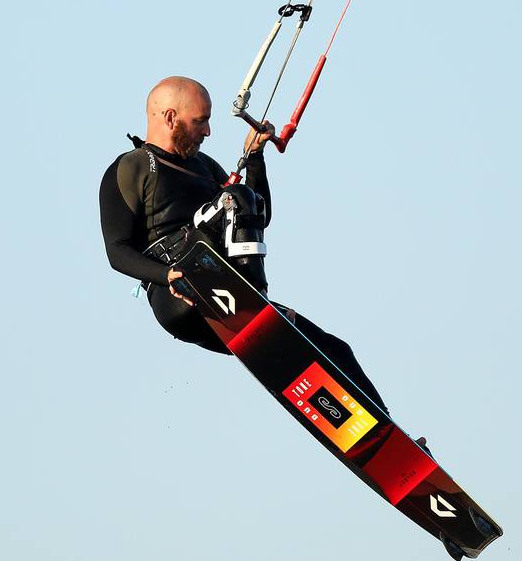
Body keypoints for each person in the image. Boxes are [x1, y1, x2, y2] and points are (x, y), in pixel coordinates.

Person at [98, 75, 389, 410]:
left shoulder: (204, 166)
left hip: (225, 288)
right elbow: (117, 251)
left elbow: (256, 216)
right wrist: (169, 276)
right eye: (201, 121)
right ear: (170, 118)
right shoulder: (133, 167)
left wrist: (254, 158)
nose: (208, 131)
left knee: (332, 350)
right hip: (179, 292)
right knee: (234, 198)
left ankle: (386, 434)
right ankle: (255, 305)